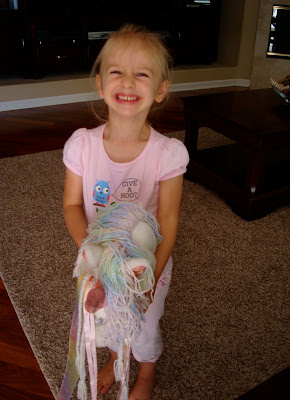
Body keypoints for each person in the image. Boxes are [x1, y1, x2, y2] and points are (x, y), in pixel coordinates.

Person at [63, 24, 189, 400]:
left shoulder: (168, 154)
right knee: (109, 317)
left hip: (145, 265)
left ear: (161, 90)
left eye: (142, 74)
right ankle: (117, 357)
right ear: (101, 85)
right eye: (117, 71)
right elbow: (71, 204)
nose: (129, 82)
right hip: (99, 257)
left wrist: (150, 277)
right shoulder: (81, 145)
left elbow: (168, 220)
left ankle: (146, 371)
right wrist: (98, 256)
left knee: (145, 324)